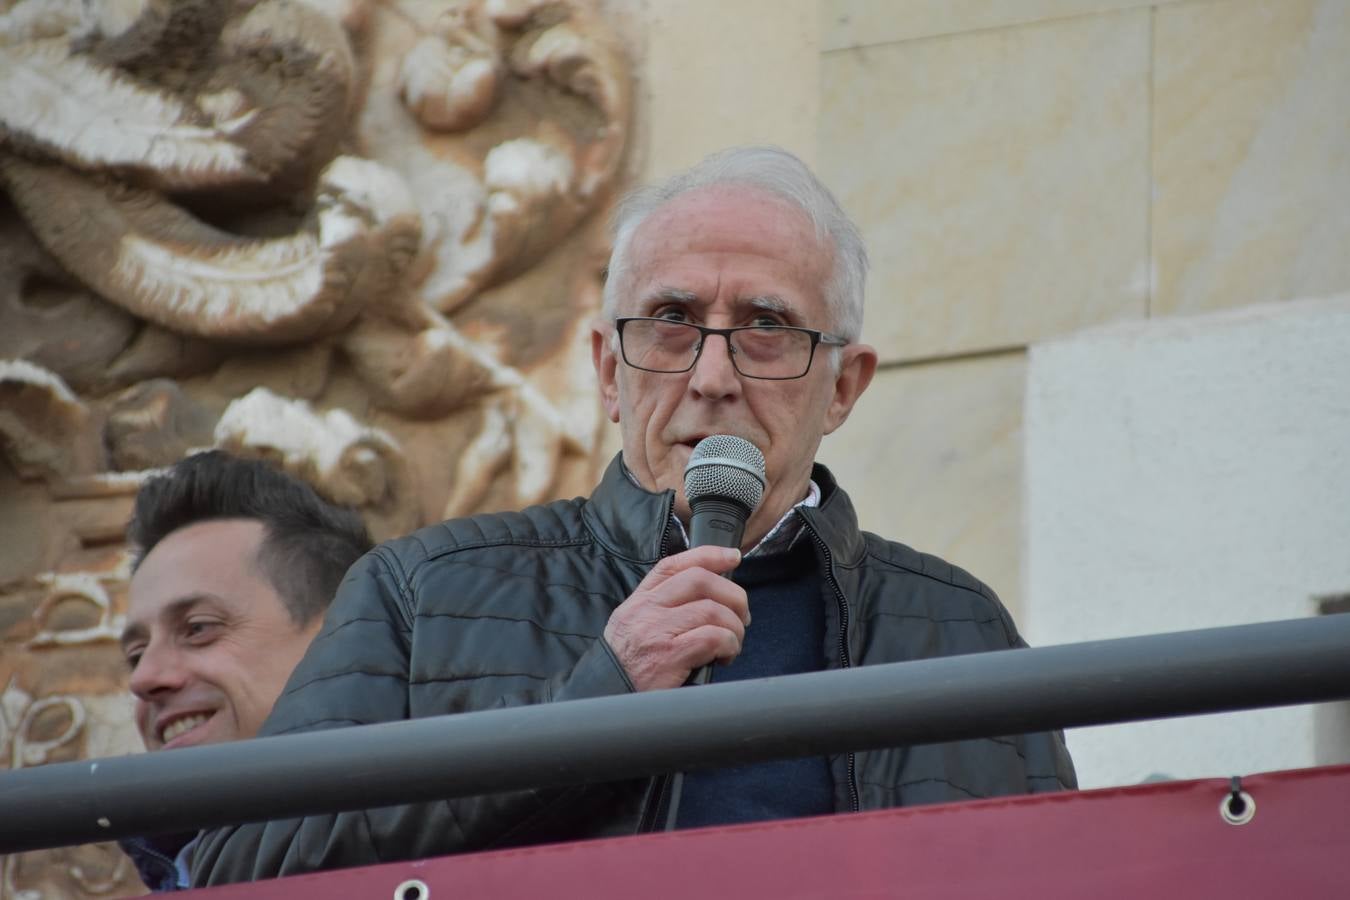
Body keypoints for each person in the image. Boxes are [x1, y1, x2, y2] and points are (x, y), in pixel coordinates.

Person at [191, 146, 1076, 886]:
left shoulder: (959, 628)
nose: (713, 376)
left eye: (766, 323)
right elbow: (239, 865)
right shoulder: (423, 591)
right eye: (671, 320)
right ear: (609, 373)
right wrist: (602, 699)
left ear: (843, 387)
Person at [116, 450, 372, 891]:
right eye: (137, 654)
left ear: (338, 636)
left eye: (198, 629)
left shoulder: (490, 847)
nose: (144, 680)